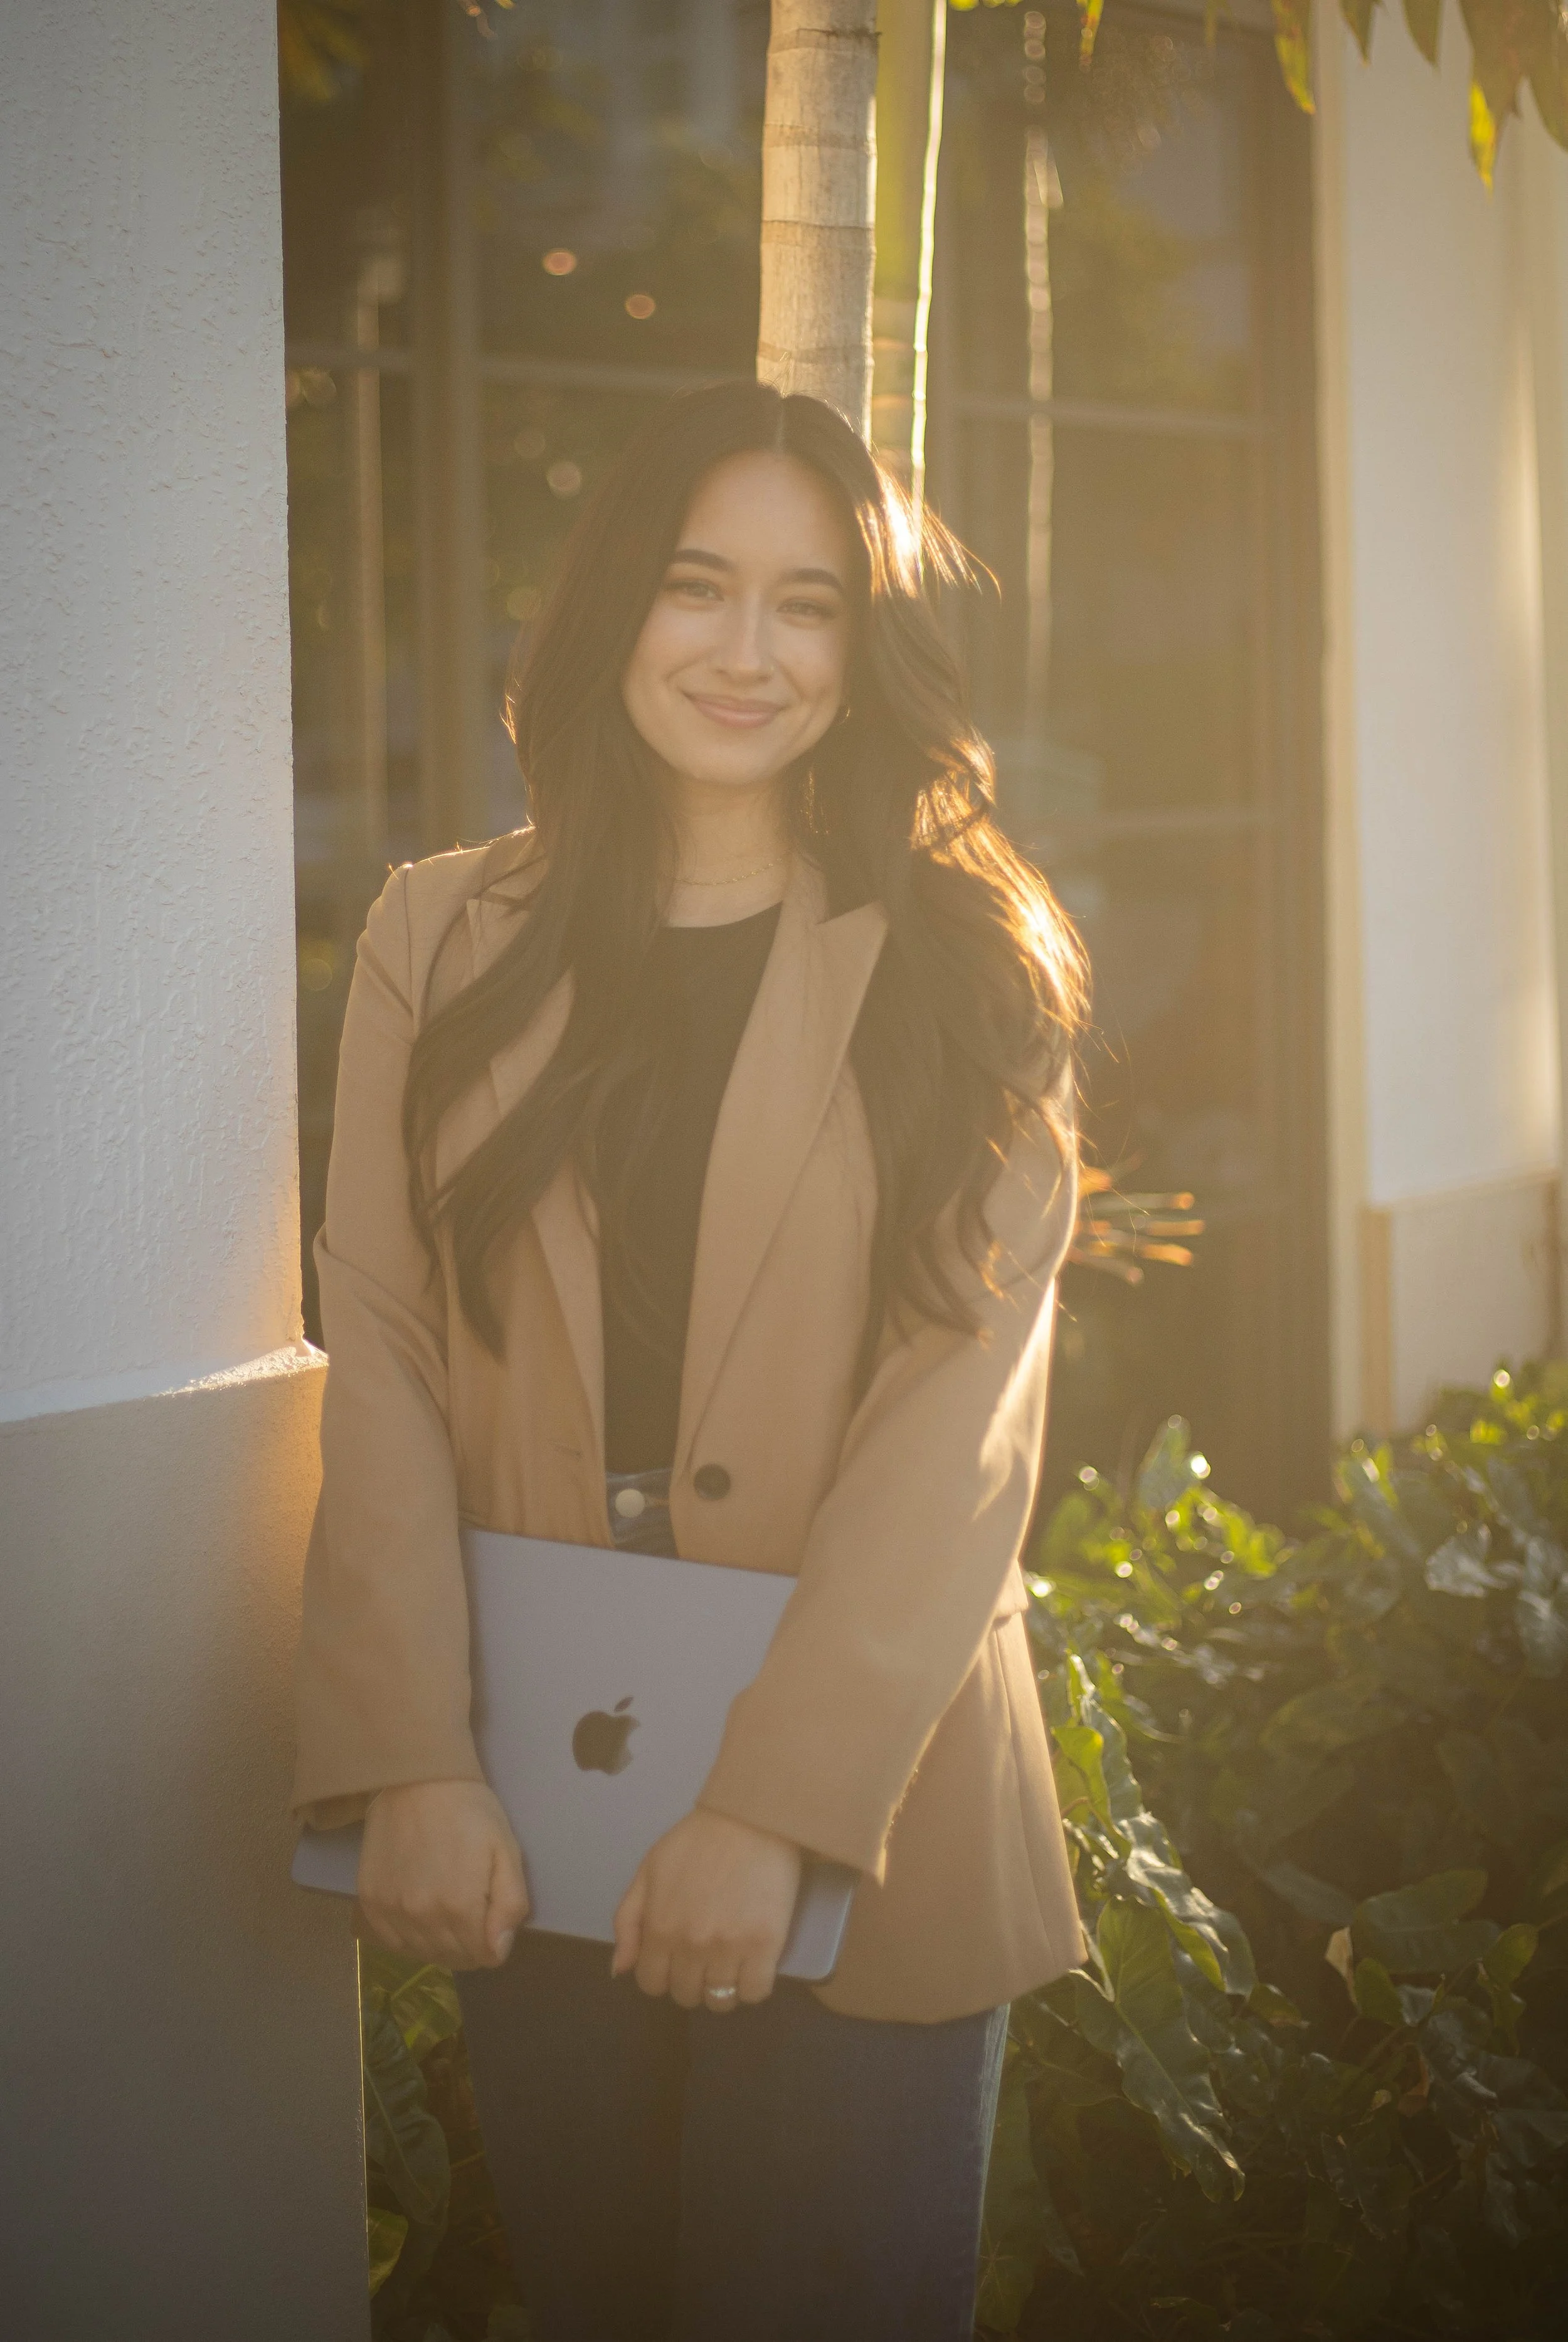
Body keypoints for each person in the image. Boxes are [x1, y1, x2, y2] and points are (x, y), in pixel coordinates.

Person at [292, 379, 1088, 2342]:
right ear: (612, 607)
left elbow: (958, 1433)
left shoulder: (965, 956)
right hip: (531, 1787)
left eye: (808, 604)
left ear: (865, 644)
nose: (747, 650)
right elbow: (377, 1346)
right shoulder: (436, 935)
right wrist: (407, 1753)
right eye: (695, 584)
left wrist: (771, 1806)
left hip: (869, 1811)